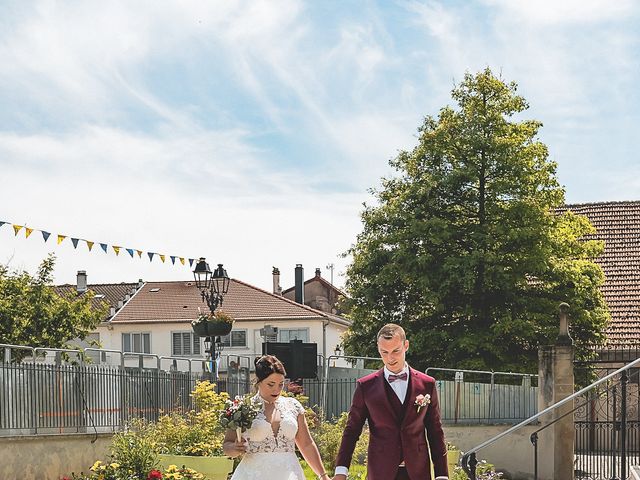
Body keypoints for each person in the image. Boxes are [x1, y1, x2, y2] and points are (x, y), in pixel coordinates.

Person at [333, 324, 449, 480]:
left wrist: (442, 475)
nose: (390, 358)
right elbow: (352, 430)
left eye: (396, 351)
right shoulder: (365, 386)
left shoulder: (427, 383)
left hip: (418, 472)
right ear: (378, 349)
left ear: (406, 345)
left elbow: (435, 431)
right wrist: (341, 470)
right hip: (381, 471)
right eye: (384, 352)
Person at [223, 355, 329, 480]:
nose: (276, 389)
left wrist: (323, 476)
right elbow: (227, 445)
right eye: (271, 384)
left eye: (281, 384)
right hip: (253, 475)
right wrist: (235, 448)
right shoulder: (242, 408)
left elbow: (307, 444)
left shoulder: (293, 406)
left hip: (289, 474)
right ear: (258, 381)